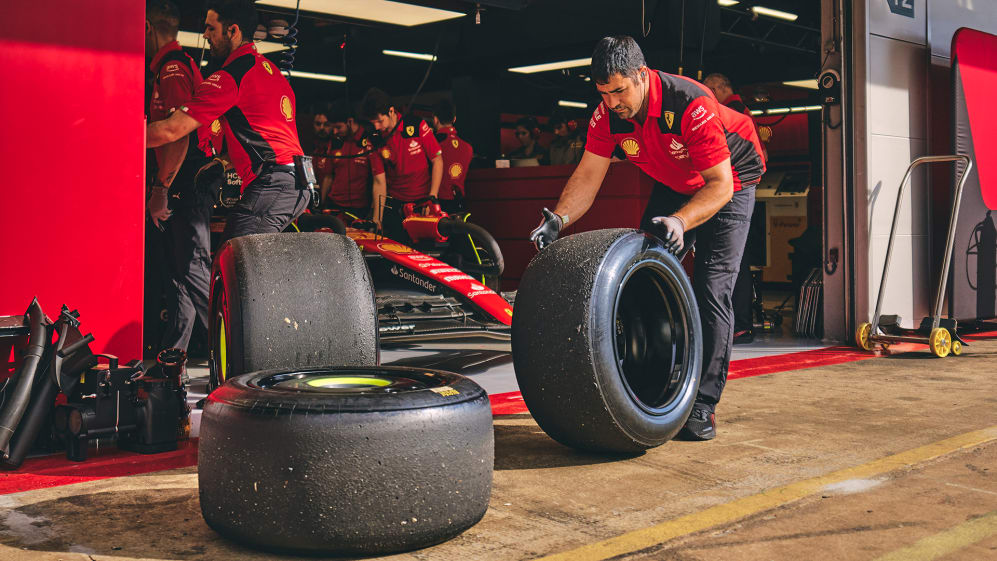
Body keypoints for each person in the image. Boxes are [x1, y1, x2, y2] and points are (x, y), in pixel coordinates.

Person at [529, 36, 765, 441]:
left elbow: (719, 185)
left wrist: (681, 220)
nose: (612, 102)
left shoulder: (691, 102)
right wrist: (559, 218)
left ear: (642, 75)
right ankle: (648, 375)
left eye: (619, 90)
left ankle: (704, 404)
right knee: (643, 272)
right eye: (603, 93)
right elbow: (588, 176)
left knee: (712, 288)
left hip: (731, 180)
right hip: (676, 179)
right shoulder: (607, 115)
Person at [146, 0, 310, 245]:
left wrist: (120, 133)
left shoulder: (230, 76)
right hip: (299, 183)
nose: (205, 35)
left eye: (211, 28)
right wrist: (221, 162)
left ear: (232, 31)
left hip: (272, 184)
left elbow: (172, 130)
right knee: (249, 265)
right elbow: (265, 137)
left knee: (235, 262)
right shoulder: (273, 73)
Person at [145, 0, 215, 354]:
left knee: (193, 272)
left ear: (147, 28)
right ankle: (174, 360)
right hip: (185, 185)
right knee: (180, 276)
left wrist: (160, 189)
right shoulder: (175, 64)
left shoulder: (172, 68)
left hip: (186, 186)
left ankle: (243, 357)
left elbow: (177, 134)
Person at [704, 72, 768, 344]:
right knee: (736, 263)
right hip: (740, 188)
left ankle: (739, 325)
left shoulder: (729, 111)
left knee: (732, 265)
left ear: (719, 88)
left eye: (708, 89)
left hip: (733, 190)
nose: (704, 94)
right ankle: (740, 324)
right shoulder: (743, 111)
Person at [360, 87, 443, 240]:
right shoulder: (374, 138)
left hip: (423, 204)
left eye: (380, 121)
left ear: (391, 111)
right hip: (396, 206)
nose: (377, 126)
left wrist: (432, 197)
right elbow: (379, 182)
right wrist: (377, 219)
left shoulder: (416, 125)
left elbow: (437, 160)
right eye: (373, 123)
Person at [322, 100, 386, 220]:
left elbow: (378, 180)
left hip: (360, 210)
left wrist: (376, 217)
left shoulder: (368, 139)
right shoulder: (335, 141)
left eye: (338, 127)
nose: (335, 131)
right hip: (334, 207)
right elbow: (328, 176)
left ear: (350, 122)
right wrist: (320, 205)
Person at [431, 98, 473, 214]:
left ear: (435, 119)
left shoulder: (433, 143)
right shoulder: (468, 146)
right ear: (454, 119)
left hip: (437, 205)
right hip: (459, 205)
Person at [311, 106, 335, 189]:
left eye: (326, 125)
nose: (321, 128)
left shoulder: (336, 148)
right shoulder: (310, 148)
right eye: (318, 124)